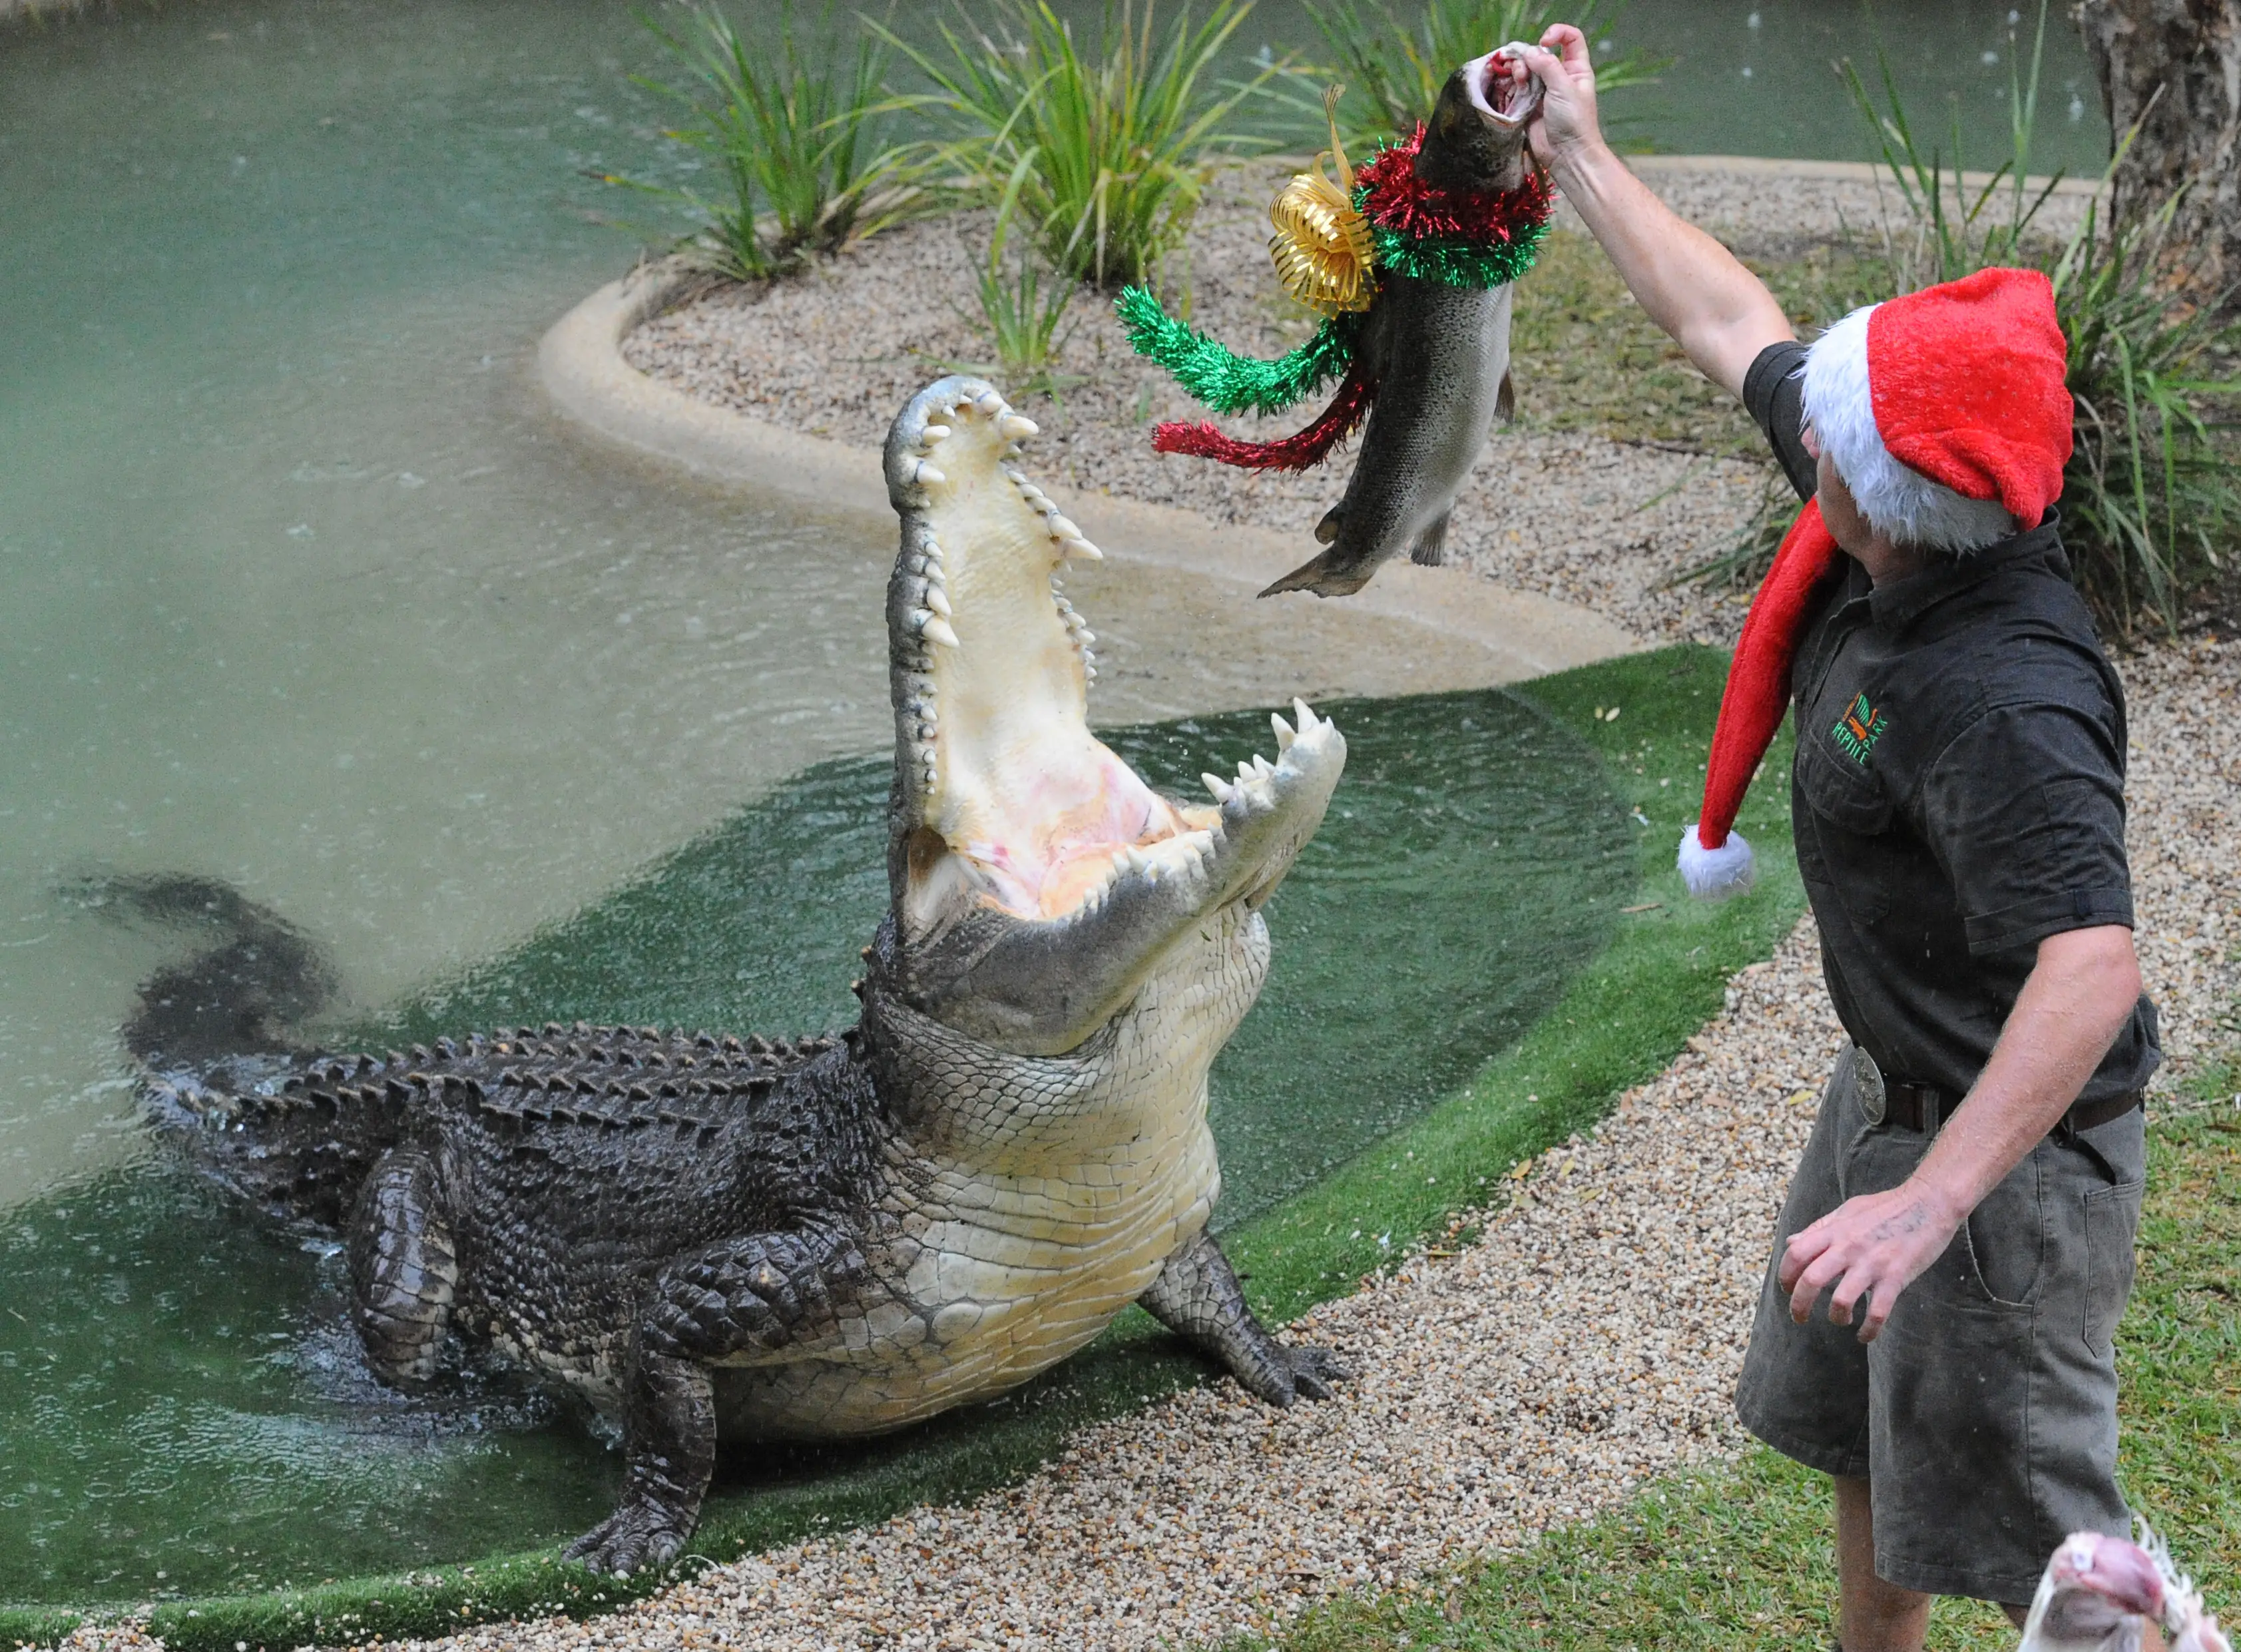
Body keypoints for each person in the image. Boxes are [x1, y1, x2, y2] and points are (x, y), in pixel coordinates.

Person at [1507, 27, 2162, 1652]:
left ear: (1876, 494)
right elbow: (1726, 321)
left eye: (1828, 442)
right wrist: (1574, 150)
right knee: (1871, 1435)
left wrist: (1930, 1203)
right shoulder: (1907, 490)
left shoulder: (2004, 700)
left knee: (2074, 1581)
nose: (1805, 436)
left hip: (2004, 1169)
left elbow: (2093, 969)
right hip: (1894, 1084)